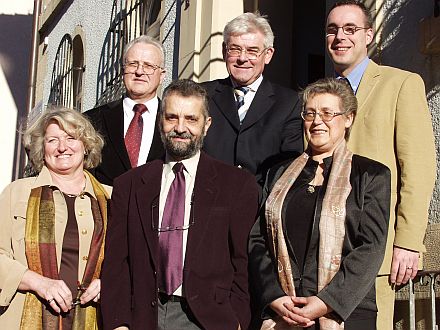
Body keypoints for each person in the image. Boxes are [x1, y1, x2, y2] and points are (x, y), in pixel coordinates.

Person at [100, 79, 259, 330]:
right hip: (143, 317)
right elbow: (116, 263)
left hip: (209, 320)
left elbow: (244, 262)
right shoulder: (128, 186)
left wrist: (237, 320)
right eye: (172, 117)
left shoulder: (237, 185)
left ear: (206, 125)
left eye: (191, 119)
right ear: (160, 121)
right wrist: (118, 322)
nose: (180, 128)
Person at [325, 1, 436, 328]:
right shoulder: (318, 94)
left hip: (379, 251)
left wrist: (408, 242)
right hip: (325, 252)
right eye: (332, 30)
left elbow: (417, 169)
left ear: (368, 35)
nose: (340, 37)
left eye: (350, 29)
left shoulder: (401, 84)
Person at [249, 78, 391, 329]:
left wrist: (326, 302)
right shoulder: (277, 174)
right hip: (285, 310)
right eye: (310, 113)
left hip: (346, 311)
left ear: (348, 118)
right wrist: (274, 295)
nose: (317, 121)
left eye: (327, 113)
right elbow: (258, 239)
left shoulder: (371, 175)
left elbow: (371, 247)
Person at [0, 107, 111, 329]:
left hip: (93, 317)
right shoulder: (17, 192)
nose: (62, 147)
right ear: (42, 148)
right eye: (52, 140)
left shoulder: (111, 198)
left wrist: (107, 282)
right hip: (24, 316)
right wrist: (38, 283)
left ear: (86, 145)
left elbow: (128, 261)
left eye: (71, 138)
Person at [202, 12, 303, 185]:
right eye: (235, 49)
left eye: (252, 51)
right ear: (224, 51)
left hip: (260, 204)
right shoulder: (202, 95)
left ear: (268, 54)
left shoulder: (290, 102)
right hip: (207, 201)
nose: (242, 58)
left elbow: (290, 163)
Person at [84, 35, 166, 186]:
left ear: (161, 75)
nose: (139, 72)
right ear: (123, 71)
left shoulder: (173, 121)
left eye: (148, 66)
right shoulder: (92, 120)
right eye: (133, 64)